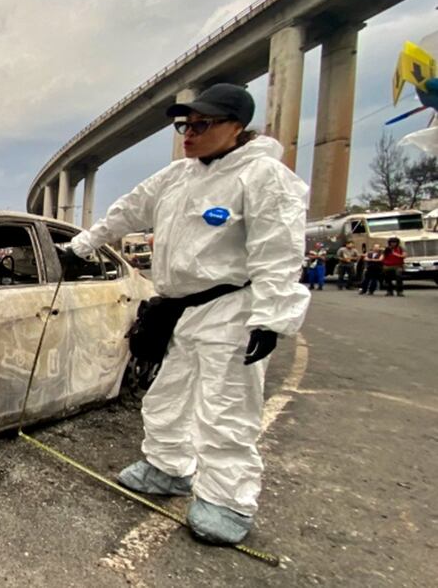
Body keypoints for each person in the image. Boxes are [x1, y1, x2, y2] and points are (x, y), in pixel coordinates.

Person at [62, 84, 310, 545]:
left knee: (226, 410)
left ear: (236, 127)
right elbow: (126, 210)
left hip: (233, 308)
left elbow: (279, 251)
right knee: (167, 396)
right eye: (184, 125)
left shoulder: (263, 178)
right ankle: (168, 467)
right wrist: (82, 245)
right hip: (182, 310)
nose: (189, 135)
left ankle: (226, 501)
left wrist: (272, 318)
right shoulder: (178, 177)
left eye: (202, 125)